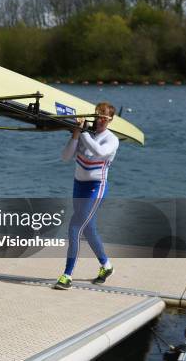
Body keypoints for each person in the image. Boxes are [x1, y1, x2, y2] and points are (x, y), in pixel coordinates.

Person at [55, 102, 119, 290]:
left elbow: (99, 152)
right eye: (97, 115)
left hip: (96, 188)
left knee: (75, 227)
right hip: (78, 186)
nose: (99, 120)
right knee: (89, 229)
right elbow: (65, 157)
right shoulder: (85, 134)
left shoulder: (111, 139)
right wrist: (76, 134)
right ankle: (106, 266)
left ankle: (67, 275)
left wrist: (81, 132)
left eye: (104, 118)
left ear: (110, 120)